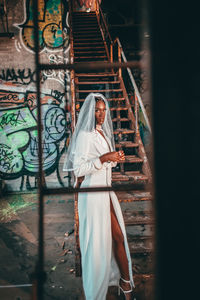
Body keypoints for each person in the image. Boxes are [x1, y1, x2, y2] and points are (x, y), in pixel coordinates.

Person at [63, 93, 135, 300]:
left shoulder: (101, 132)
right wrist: (104, 158)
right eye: (97, 110)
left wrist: (114, 158)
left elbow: (103, 162)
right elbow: (78, 170)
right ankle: (97, 293)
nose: (101, 114)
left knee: (118, 237)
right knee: (97, 247)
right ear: (89, 112)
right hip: (93, 194)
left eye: (104, 110)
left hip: (105, 191)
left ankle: (125, 283)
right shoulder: (85, 135)